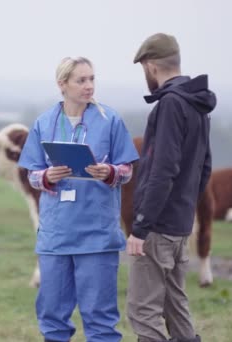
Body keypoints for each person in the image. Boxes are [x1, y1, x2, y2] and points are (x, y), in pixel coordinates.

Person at [18, 56, 139, 342]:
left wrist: (108, 171)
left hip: (97, 235)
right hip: (56, 235)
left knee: (100, 319)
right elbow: (32, 174)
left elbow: (127, 171)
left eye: (92, 79)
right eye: (81, 80)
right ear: (63, 84)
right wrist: (48, 176)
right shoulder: (44, 122)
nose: (89, 86)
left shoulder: (111, 120)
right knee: (52, 315)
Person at [125, 33, 216, 342]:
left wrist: (140, 226)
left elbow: (161, 170)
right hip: (179, 225)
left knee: (142, 310)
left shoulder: (170, 105)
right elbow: (204, 167)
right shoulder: (197, 103)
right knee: (175, 305)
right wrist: (185, 207)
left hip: (158, 227)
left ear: (151, 67)